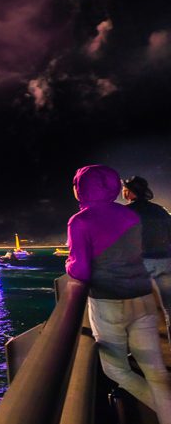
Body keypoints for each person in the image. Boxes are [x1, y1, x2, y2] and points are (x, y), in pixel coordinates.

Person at [66, 165, 171, 422]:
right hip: (143, 296)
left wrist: (68, 264)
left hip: (108, 302)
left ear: (81, 188)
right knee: (156, 371)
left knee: (116, 369)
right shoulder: (130, 217)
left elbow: (80, 270)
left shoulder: (80, 221)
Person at [123, 175, 171, 342]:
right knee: (169, 307)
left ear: (129, 192)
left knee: (135, 311)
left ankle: (140, 350)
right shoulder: (160, 210)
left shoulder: (125, 213)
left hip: (139, 264)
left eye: (124, 189)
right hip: (165, 261)